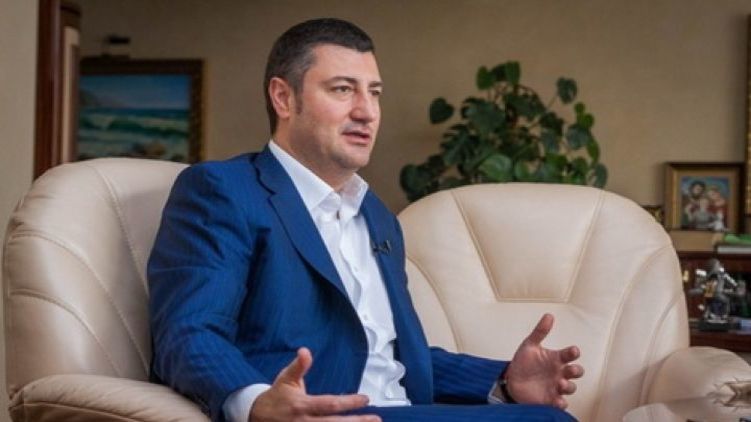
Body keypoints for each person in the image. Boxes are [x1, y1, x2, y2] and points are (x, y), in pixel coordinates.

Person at [148, 18, 583, 422]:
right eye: (343, 90)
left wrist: (502, 381)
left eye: (374, 93)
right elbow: (189, 332)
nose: (367, 111)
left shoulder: (377, 215)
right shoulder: (224, 190)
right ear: (283, 98)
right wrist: (258, 402)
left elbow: (389, 355)